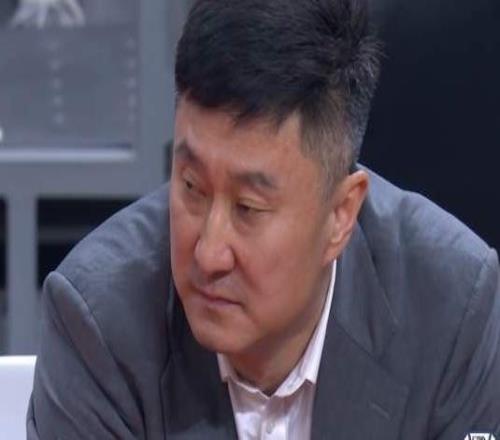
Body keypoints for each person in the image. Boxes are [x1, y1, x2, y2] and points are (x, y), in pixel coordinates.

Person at [28, 0, 500, 439]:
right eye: (191, 186)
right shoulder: (99, 323)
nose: (208, 254)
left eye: (248, 208)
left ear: (340, 215)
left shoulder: (451, 308)